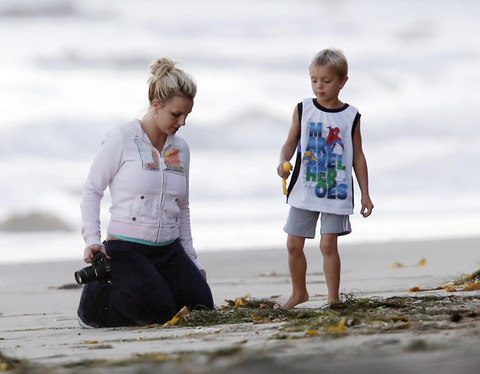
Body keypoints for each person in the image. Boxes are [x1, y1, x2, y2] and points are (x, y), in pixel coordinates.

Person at [77, 57, 214, 328]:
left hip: (169, 249)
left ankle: (150, 284)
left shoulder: (180, 149)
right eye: (176, 114)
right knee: (159, 310)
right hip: (126, 249)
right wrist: (92, 239)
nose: (183, 122)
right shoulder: (122, 139)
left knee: (202, 308)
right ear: (156, 105)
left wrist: (192, 261)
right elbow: (92, 191)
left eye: (187, 114)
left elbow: (182, 207)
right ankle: (93, 306)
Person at [277, 49, 374, 309]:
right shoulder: (303, 109)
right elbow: (289, 144)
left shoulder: (350, 116)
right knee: (293, 244)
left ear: (342, 81)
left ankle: (333, 299)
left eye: (326, 80)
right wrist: (282, 163)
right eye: (314, 80)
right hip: (304, 188)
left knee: (328, 244)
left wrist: (365, 193)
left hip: (336, 189)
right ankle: (299, 293)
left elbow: (358, 156)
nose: (319, 86)